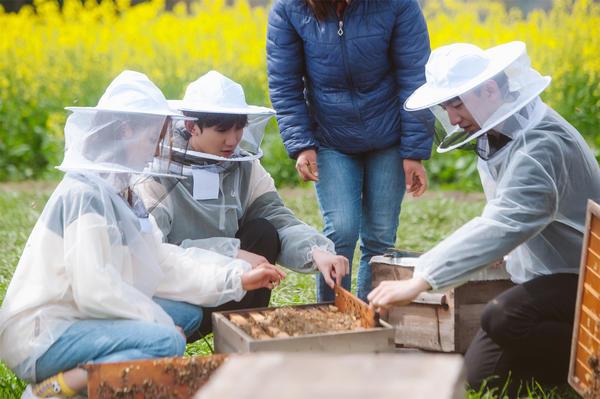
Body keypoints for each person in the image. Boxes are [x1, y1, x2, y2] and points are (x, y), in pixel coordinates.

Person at [0, 71, 283, 399]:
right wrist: (156, 323)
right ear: (125, 130)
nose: (154, 152)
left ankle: (89, 381)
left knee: (186, 315)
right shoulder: (85, 193)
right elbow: (94, 288)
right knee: (167, 340)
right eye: (151, 139)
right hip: (41, 334)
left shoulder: (121, 190)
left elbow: (159, 260)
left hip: (77, 317)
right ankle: (55, 389)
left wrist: (236, 277)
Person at [367, 42, 600, 393]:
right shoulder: (498, 131)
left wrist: (422, 278)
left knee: (502, 316)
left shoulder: (542, 147)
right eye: (446, 108)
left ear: (490, 89)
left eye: (457, 104)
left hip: (587, 279)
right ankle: (562, 366)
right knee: (482, 378)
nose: (453, 118)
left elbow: (502, 224)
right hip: (547, 279)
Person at [137, 71, 348, 335]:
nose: (233, 140)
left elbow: (276, 216)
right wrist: (230, 253)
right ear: (192, 126)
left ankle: (243, 334)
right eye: (222, 130)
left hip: (238, 283)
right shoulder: (158, 177)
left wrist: (316, 251)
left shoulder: (244, 167)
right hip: (182, 290)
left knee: (263, 231)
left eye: (239, 128)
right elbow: (154, 254)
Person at [266, 0, 433, 302]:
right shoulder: (289, 9)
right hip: (330, 138)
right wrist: (302, 144)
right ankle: (331, 317)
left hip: (389, 136)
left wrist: (413, 151)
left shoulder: (398, 5)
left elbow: (415, 79)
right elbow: (284, 84)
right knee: (340, 230)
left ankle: (370, 317)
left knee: (380, 238)